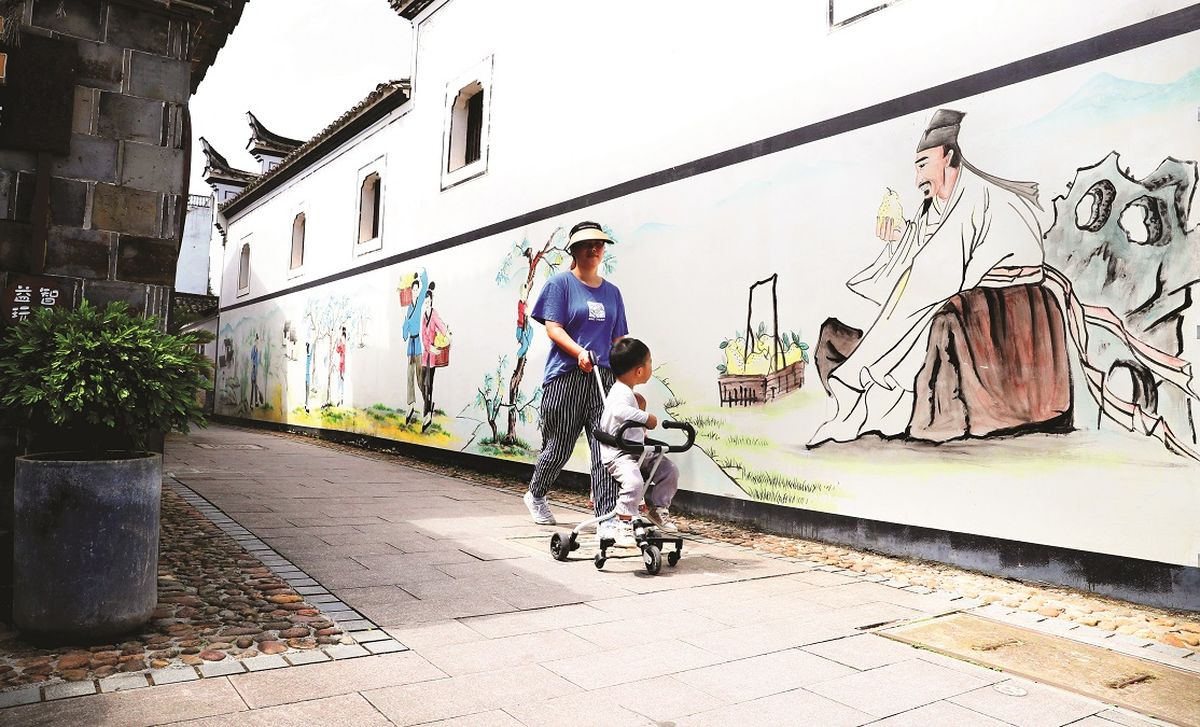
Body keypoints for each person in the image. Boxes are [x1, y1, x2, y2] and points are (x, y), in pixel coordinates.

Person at [810, 108, 1064, 446]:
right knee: (911, 301)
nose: (918, 181)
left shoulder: (976, 197)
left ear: (948, 157)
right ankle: (865, 390)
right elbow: (923, 252)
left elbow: (933, 274)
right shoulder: (944, 203)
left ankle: (859, 387)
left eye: (923, 165)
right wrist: (898, 239)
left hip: (998, 299)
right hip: (972, 289)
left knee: (917, 303)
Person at [523, 221, 628, 538]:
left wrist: (628, 379)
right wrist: (579, 352)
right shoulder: (560, 284)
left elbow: (619, 338)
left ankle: (606, 517)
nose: (594, 250)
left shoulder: (613, 293)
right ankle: (536, 493)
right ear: (574, 250)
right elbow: (553, 328)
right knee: (559, 447)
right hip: (566, 376)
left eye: (599, 245)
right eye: (587, 245)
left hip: (603, 377)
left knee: (605, 447)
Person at [599, 338, 679, 547]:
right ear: (640, 371)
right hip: (619, 454)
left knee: (669, 471)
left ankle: (658, 510)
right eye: (650, 361)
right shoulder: (619, 392)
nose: (652, 365)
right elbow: (618, 411)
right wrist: (647, 418)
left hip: (636, 451)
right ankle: (623, 522)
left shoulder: (629, 393)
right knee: (634, 482)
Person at [419, 282, 450, 432]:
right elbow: (422, 336)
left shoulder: (434, 314)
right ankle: (428, 408)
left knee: (428, 385)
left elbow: (442, 327)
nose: (426, 304)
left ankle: (427, 414)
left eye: (428, 301)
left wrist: (447, 335)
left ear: (431, 301)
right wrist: (427, 346)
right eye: (424, 302)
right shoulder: (424, 317)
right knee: (422, 383)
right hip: (425, 355)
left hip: (432, 358)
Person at [401, 269, 430, 424]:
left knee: (419, 377)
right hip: (410, 345)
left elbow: (425, 285)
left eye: (417, 290)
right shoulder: (409, 308)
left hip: (418, 344)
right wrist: (404, 332)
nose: (414, 292)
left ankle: (427, 400)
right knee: (409, 375)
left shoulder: (418, 304)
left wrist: (423, 273)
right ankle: (411, 404)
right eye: (413, 290)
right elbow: (405, 324)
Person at [335, 327, 347, 407]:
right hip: (341, 365)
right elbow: (337, 350)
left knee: (340, 383)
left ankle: (340, 399)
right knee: (340, 383)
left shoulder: (343, 344)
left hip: (342, 366)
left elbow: (338, 350)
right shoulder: (342, 343)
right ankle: (340, 399)